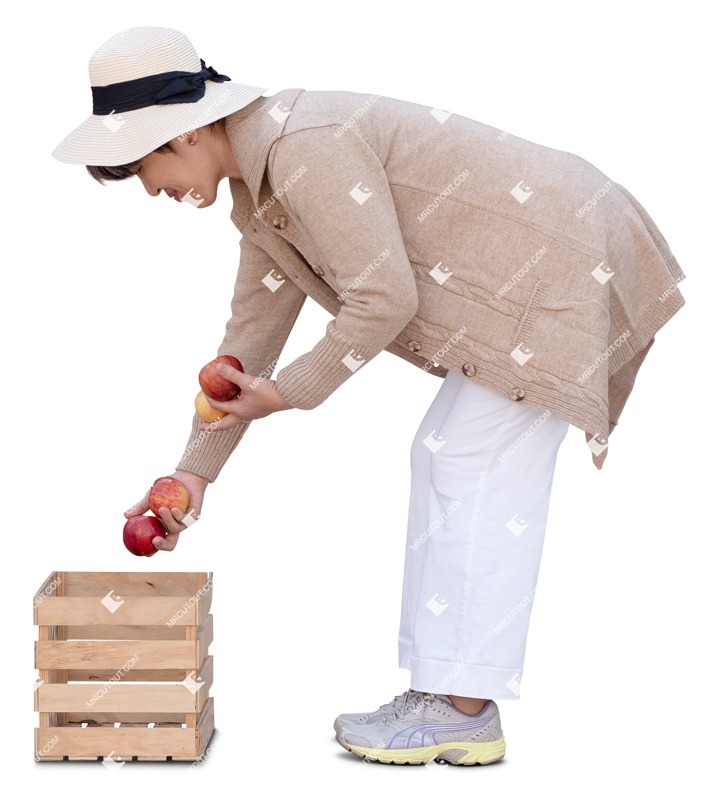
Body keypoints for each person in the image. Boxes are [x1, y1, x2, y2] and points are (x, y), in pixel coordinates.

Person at [52, 26, 686, 766]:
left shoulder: (302, 148)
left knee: (469, 462)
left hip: (556, 263)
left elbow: (383, 298)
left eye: (144, 169)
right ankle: (447, 695)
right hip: (539, 269)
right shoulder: (261, 194)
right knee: (449, 453)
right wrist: (190, 475)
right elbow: (247, 343)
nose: (152, 191)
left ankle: (461, 708)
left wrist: (287, 394)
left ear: (185, 132)